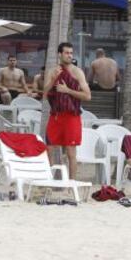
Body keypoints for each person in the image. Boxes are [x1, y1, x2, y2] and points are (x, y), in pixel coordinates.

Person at [44, 42, 91, 179]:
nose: (70, 55)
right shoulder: (52, 71)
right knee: (49, 149)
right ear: (60, 54)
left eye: (71, 53)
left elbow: (87, 96)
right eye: (67, 53)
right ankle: (49, 180)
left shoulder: (77, 72)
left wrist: (67, 90)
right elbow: (45, 94)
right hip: (56, 116)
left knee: (71, 152)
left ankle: (72, 183)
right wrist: (53, 80)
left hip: (72, 116)